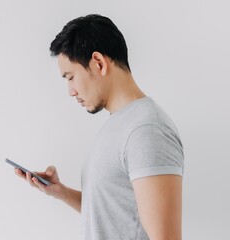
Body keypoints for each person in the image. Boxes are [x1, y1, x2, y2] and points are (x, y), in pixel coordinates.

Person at [14, 14, 184, 240]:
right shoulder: (121, 124)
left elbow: (166, 237)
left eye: (70, 77)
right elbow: (113, 214)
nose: (71, 91)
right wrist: (61, 193)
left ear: (99, 63)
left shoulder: (147, 131)